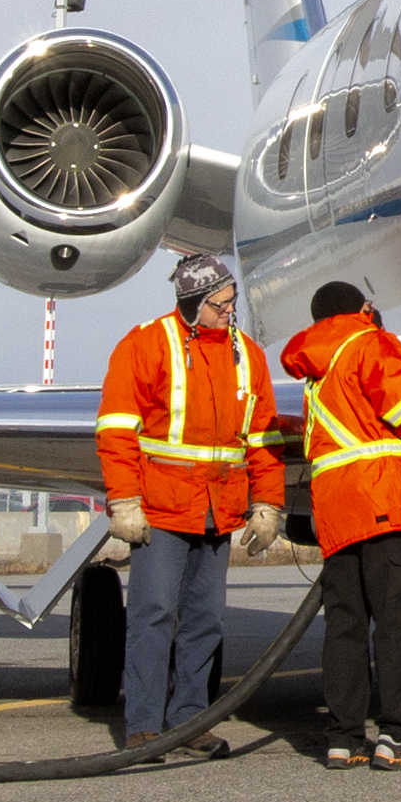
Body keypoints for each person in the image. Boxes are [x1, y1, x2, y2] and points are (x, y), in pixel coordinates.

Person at [91, 252, 284, 751]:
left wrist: (268, 503)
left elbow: (263, 439)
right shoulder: (146, 344)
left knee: (206, 620)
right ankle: (144, 726)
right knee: (153, 614)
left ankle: (190, 721)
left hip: (218, 510)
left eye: (231, 301)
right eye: (220, 305)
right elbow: (116, 429)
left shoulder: (248, 355)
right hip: (162, 509)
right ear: (193, 304)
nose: (229, 312)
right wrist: (124, 501)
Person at [276, 280, 401, 768]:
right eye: (370, 305)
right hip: (387, 502)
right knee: (397, 623)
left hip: (337, 513)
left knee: (346, 625)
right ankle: (398, 735)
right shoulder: (368, 343)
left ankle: (343, 737)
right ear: (359, 310)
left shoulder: (317, 370)